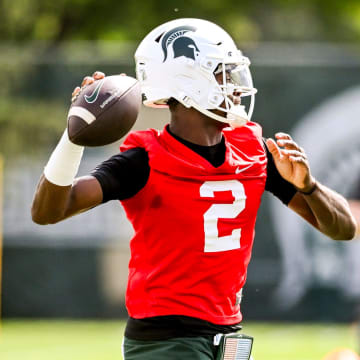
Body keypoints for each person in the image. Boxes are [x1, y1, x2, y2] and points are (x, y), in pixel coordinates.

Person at [31, 18, 356, 360]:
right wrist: (73, 136)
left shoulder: (256, 151)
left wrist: (308, 186)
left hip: (228, 334)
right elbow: (48, 210)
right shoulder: (144, 161)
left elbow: (343, 228)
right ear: (187, 81)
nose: (234, 86)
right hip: (166, 338)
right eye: (222, 74)